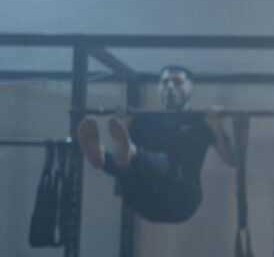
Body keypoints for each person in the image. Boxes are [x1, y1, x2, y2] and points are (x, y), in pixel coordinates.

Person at [76, 65, 236, 223]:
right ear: (159, 88)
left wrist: (217, 128)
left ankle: (108, 157)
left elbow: (232, 160)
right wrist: (126, 124)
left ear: (191, 89)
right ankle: (101, 156)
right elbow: (122, 161)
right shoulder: (143, 120)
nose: (170, 87)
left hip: (181, 198)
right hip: (144, 197)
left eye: (177, 82)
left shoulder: (201, 123)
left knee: (156, 160)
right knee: (129, 160)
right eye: (165, 82)